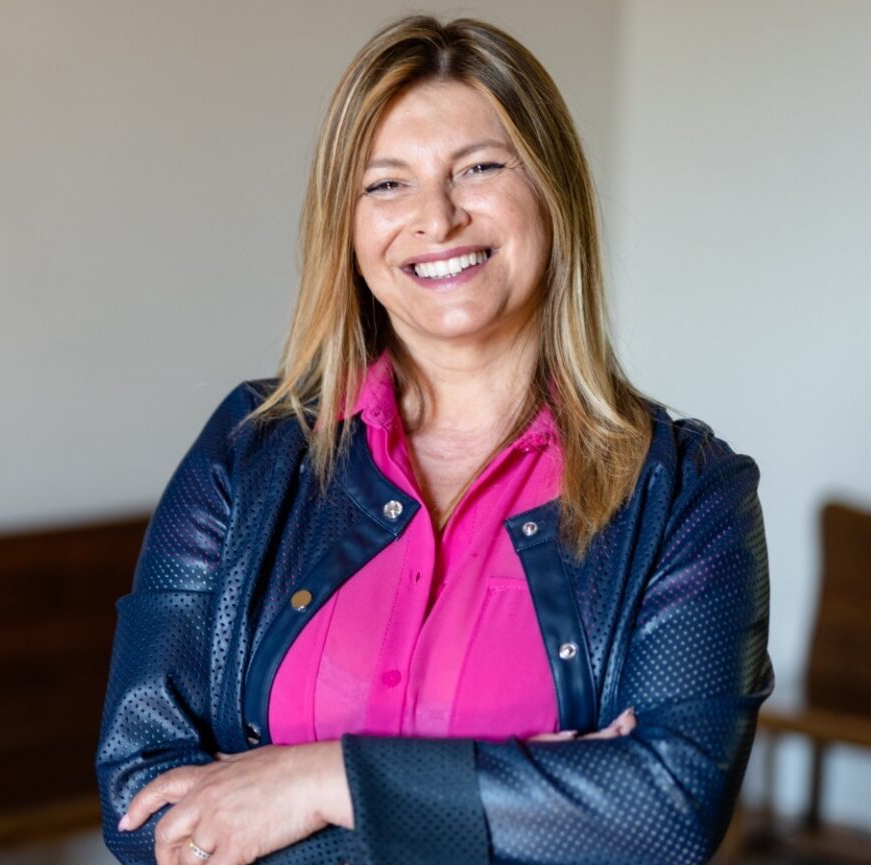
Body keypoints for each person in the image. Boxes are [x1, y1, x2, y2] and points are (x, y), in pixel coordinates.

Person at [96, 14, 771, 865]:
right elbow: (140, 801)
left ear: (551, 189)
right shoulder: (249, 452)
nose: (438, 218)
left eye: (479, 168)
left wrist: (315, 781)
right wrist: (529, 799)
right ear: (346, 228)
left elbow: (667, 814)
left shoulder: (687, 492)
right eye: (387, 184)